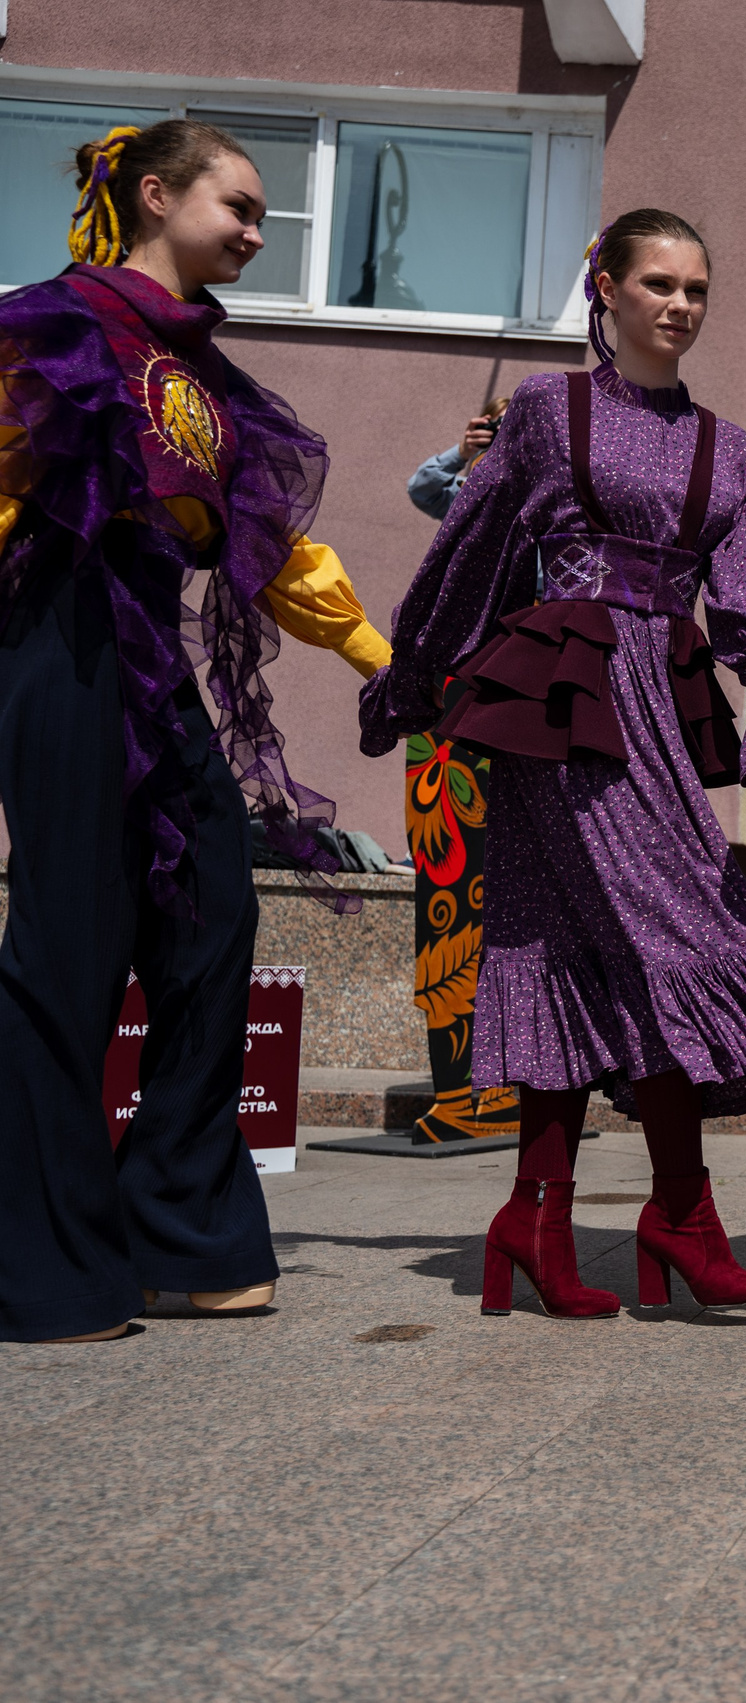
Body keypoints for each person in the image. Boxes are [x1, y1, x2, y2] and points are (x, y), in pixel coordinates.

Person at [360, 209, 746, 1320]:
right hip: (563, 703)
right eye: (658, 283)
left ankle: (536, 1216)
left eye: (697, 288)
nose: (680, 304)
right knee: (677, 921)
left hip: (657, 700)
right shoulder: (548, 410)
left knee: (562, 942)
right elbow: (473, 543)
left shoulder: (728, 448)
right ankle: (679, 1212)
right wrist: (412, 676)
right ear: (607, 290)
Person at [0, 120, 392, 1342]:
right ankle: (44, 1265)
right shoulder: (49, 324)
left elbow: (279, 552)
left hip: (146, 657)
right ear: (157, 194)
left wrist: (388, 660)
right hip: (53, 637)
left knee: (216, 909)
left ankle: (176, 1222)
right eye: (242, 205)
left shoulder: (208, 383)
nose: (259, 231)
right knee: (70, 946)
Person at [407, 399, 506, 522]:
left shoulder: (534, 490)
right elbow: (420, 491)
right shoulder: (468, 491)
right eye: (500, 423)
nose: (505, 433)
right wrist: (463, 451)